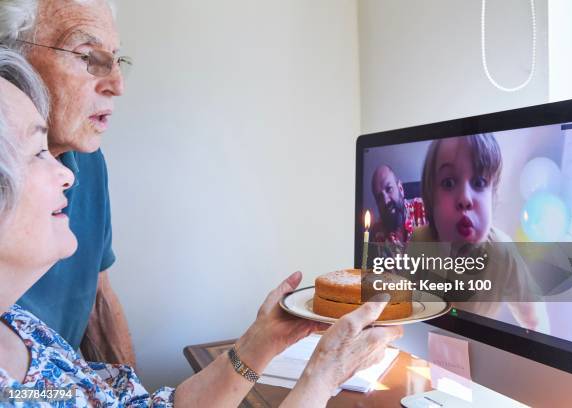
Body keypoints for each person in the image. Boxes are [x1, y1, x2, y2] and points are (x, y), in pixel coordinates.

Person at [0, 47, 403, 407]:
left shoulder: (20, 328)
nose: (67, 175)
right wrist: (322, 377)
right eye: (38, 152)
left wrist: (260, 342)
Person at [0, 0, 134, 365]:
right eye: (87, 55)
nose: (116, 84)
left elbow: (96, 297)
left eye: (116, 59)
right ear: (12, 63)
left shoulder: (88, 161)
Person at [415, 134, 550, 332]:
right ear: (430, 197)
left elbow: (535, 322)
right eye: (449, 183)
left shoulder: (502, 252)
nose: (465, 199)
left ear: (493, 195)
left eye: (479, 182)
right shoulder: (420, 241)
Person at [371, 164, 427, 245]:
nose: (385, 201)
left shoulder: (424, 209)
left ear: (400, 188)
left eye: (389, 189)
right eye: (379, 197)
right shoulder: (378, 235)